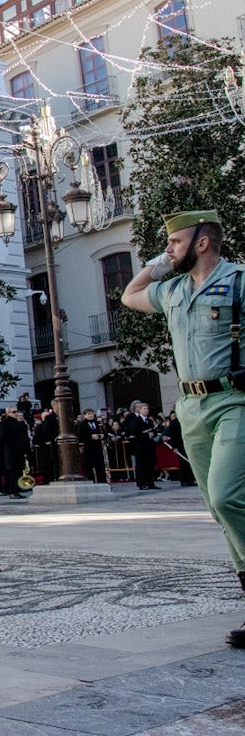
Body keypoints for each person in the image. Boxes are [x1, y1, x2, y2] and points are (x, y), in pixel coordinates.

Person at [122, 209, 245, 646]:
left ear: (203, 243)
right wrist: (163, 260)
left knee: (230, 496)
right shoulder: (172, 290)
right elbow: (130, 295)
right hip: (190, 408)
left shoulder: (239, 282)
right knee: (217, 505)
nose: (168, 249)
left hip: (234, 399)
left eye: (175, 242)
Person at [124, 400, 160, 490]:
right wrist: (146, 434)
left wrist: (153, 433)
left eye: (147, 409)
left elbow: (154, 430)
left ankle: (151, 483)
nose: (146, 410)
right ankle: (142, 483)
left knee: (150, 465)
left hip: (149, 447)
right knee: (141, 466)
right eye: (144, 409)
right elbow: (135, 432)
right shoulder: (136, 420)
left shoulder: (150, 421)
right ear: (139, 410)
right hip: (141, 447)